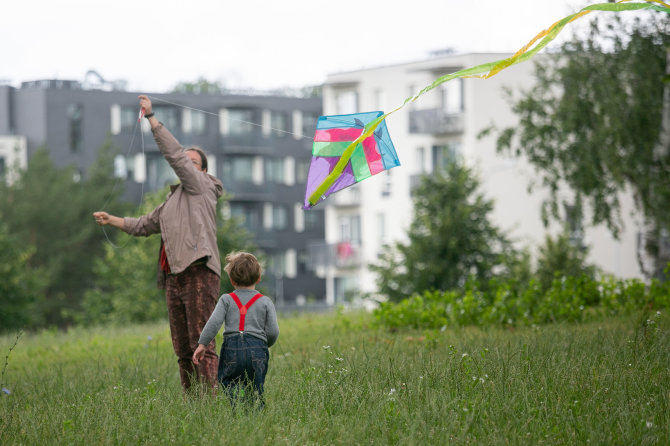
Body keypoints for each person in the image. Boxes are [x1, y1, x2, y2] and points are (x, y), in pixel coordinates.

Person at [93, 95, 223, 392]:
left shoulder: (204, 187)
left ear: (202, 171)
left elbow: (175, 155)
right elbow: (144, 225)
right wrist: (111, 219)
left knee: (202, 343)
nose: (186, 166)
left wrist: (152, 118)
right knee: (182, 349)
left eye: (192, 163)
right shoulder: (171, 202)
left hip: (199, 271)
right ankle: (193, 406)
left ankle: (210, 402)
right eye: (185, 163)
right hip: (174, 277)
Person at [193, 251, 279, 407]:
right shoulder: (266, 302)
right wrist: (264, 344)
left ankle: (238, 401)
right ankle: (255, 410)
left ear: (232, 280)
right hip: (257, 348)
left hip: (232, 349)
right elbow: (273, 331)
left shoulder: (226, 299)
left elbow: (213, 323)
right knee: (255, 385)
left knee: (229, 380)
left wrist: (202, 344)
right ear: (258, 278)